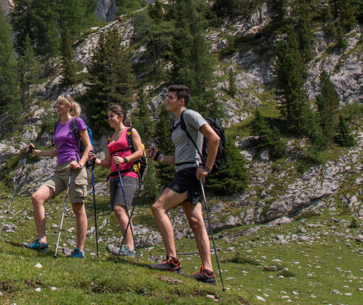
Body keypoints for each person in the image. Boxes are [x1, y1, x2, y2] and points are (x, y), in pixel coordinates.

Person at [146, 84, 221, 283]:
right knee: (196, 223)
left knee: (158, 207)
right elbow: (181, 156)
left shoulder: (190, 115)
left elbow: (214, 139)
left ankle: (172, 260)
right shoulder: (177, 122)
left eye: (170, 97)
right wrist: (160, 158)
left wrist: (207, 167)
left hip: (189, 173)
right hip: (186, 170)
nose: (167, 101)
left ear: (182, 100)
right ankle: (208, 272)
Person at [22, 95, 92, 258]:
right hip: (60, 170)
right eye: (56, 103)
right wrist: (37, 153)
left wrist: (80, 164)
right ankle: (42, 241)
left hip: (75, 169)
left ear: (69, 107)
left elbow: (88, 146)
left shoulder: (77, 122)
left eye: (60, 103)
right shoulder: (57, 125)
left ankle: (79, 250)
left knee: (78, 207)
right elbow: (57, 151)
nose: (57, 106)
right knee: (37, 197)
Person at [95, 104, 145, 257]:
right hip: (115, 177)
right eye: (108, 116)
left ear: (120, 117)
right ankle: (129, 247)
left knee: (119, 209)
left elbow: (140, 152)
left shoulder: (131, 132)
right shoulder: (111, 137)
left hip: (129, 174)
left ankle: (129, 247)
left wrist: (125, 159)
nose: (109, 119)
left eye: (112, 116)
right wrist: (95, 160)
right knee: (122, 210)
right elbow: (108, 162)